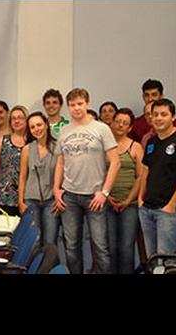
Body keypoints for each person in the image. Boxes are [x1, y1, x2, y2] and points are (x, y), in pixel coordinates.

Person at [54, 88, 120, 274]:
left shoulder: (101, 128)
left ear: (87, 103)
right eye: (72, 105)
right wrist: (56, 189)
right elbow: (60, 162)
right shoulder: (64, 130)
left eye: (80, 104)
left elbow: (115, 162)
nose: (76, 108)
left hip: (94, 196)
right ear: (68, 107)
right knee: (71, 246)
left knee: (100, 247)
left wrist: (104, 193)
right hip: (70, 196)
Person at [137, 99, 176, 256]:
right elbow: (145, 171)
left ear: (173, 117)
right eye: (155, 114)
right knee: (151, 258)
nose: (158, 118)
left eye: (164, 114)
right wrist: (141, 199)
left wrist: (171, 205)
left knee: (165, 260)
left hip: (168, 212)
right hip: (147, 208)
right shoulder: (151, 142)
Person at [106, 108, 144, 274]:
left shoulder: (136, 147)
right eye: (117, 121)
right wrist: (107, 196)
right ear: (112, 123)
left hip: (130, 204)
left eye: (125, 123)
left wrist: (128, 200)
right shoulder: (105, 146)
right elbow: (99, 173)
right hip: (108, 203)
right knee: (111, 246)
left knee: (127, 247)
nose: (120, 125)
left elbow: (140, 177)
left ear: (130, 127)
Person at [19, 112, 59, 247]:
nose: (37, 129)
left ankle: (49, 262)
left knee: (50, 241)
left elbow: (63, 175)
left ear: (46, 125)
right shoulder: (27, 149)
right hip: (31, 200)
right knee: (33, 241)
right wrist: (20, 201)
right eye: (32, 127)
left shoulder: (57, 148)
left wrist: (59, 196)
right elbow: (22, 177)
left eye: (39, 125)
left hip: (51, 201)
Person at [0, 105, 29, 216]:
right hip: (4, 197)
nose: (16, 121)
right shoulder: (2, 140)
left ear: (26, 119)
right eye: (13, 118)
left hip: (27, 197)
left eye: (20, 118)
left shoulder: (32, 142)